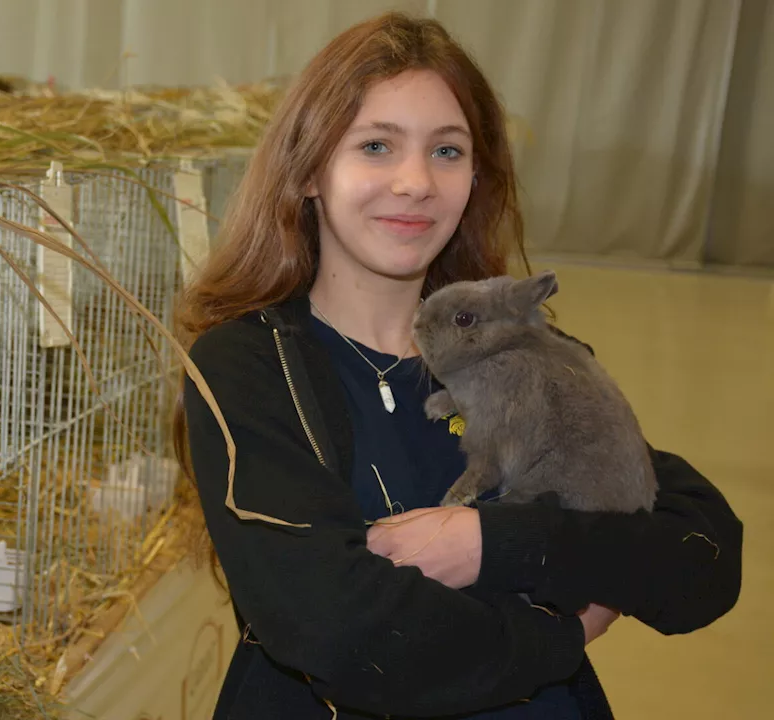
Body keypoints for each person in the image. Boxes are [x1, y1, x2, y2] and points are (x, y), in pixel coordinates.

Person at [173, 12, 742, 720]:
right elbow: (344, 634)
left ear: (477, 177)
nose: (415, 183)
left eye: (447, 152)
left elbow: (702, 554)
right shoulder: (247, 365)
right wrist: (564, 626)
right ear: (311, 170)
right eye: (376, 146)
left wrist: (489, 543)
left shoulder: (524, 354)